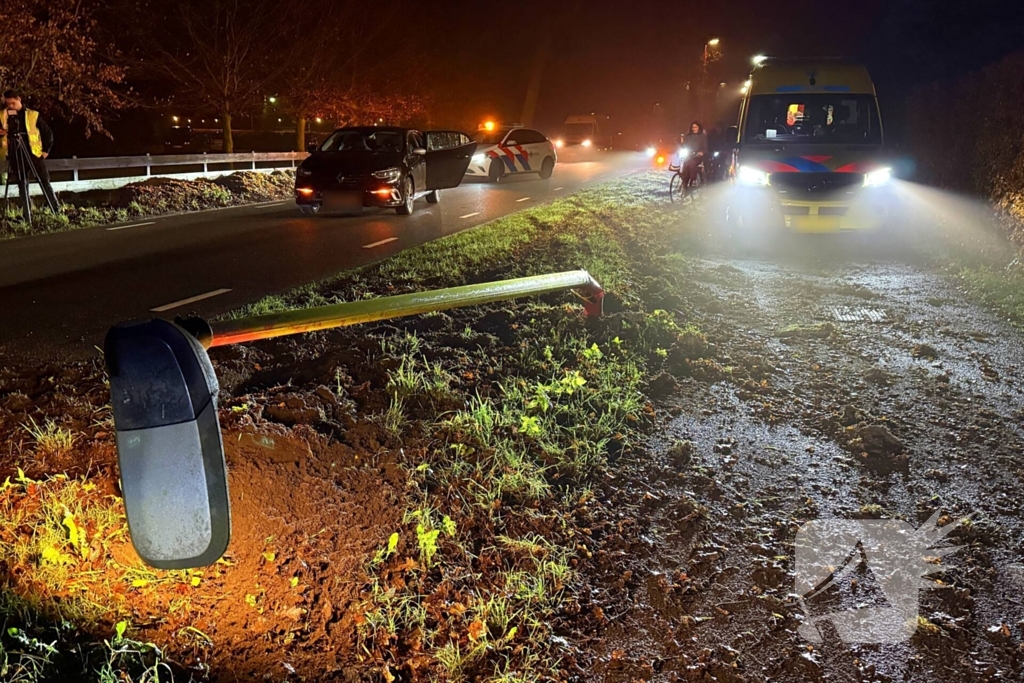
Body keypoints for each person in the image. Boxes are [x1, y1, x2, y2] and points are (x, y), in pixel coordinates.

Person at [0, 90, 60, 217]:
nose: (11, 106)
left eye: (13, 103)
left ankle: (56, 210)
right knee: (22, 185)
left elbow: (48, 133)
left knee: (44, 181)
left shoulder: (32, 115)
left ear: (19, 99)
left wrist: (45, 152)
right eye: (8, 104)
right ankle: (27, 214)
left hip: (34, 155)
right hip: (16, 156)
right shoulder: (3, 115)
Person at [680, 121, 708, 189]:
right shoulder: (688, 136)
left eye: (695, 127)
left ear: (698, 128)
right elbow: (684, 146)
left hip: (697, 156)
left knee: (691, 163)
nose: (694, 129)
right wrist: (682, 142)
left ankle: (693, 179)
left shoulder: (702, 136)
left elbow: (705, 148)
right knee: (685, 164)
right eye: (692, 127)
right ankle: (685, 182)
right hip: (689, 155)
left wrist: (702, 152)